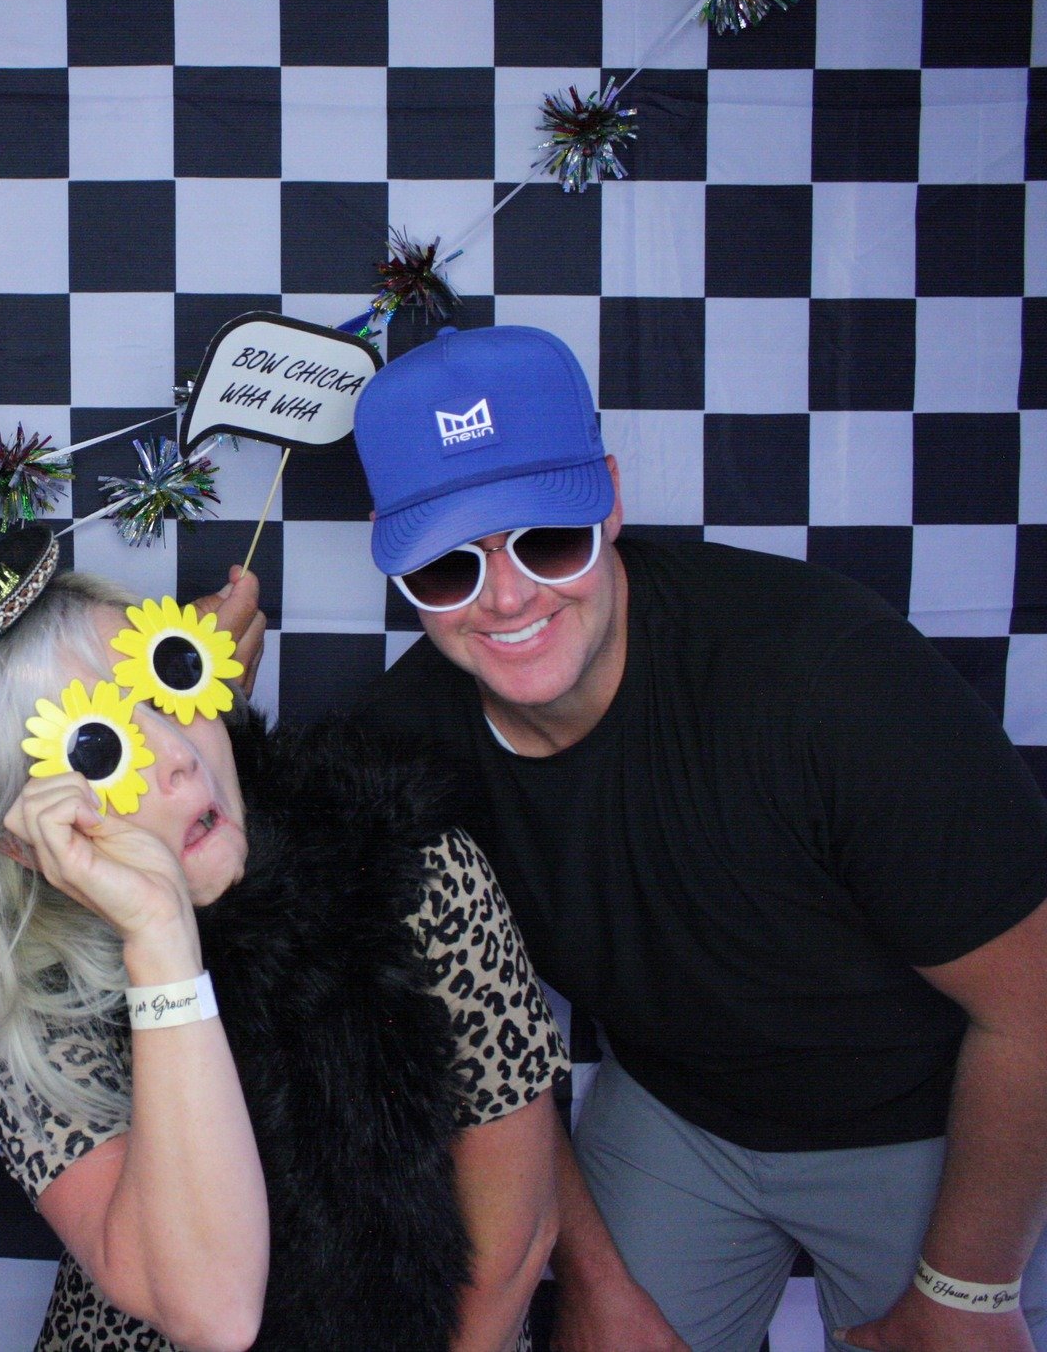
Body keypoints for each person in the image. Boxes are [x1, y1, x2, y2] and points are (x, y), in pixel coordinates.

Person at [350, 324, 1047, 1352]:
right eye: (447, 566)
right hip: (676, 1110)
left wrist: (966, 1289)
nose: (506, 596)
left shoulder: (827, 678)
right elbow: (477, 1049)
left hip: (923, 1114)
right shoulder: (399, 748)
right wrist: (591, 1277)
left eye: (548, 538)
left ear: (608, 500)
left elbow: (1032, 1008)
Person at [0, 526, 568, 1352]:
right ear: (23, 842)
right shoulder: (29, 1003)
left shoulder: (412, 861)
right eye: (102, 748)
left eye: (169, 684)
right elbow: (212, 1311)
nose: (179, 756)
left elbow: (514, 1238)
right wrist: (160, 943)